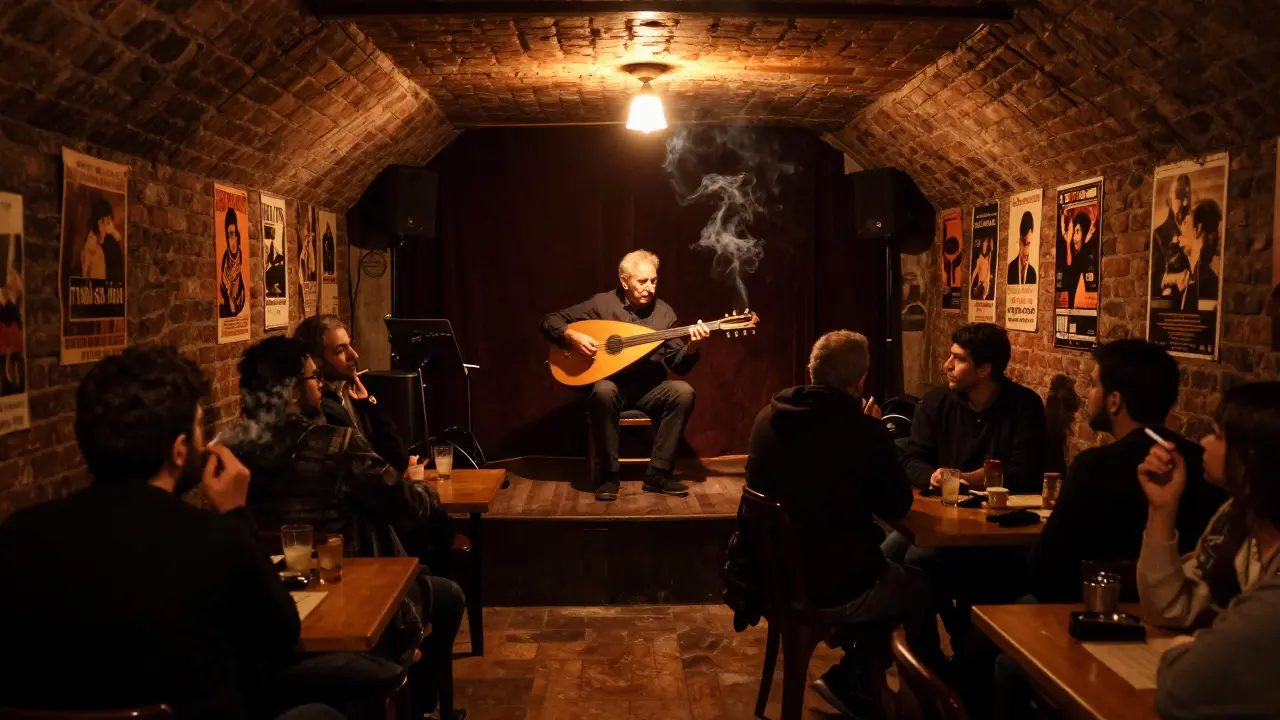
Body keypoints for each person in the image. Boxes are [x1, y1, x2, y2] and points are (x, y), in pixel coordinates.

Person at [0, 346, 341, 720]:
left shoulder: (16, 537)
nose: (204, 441)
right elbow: (281, 635)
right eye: (198, 427)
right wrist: (236, 513)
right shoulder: (213, 541)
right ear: (179, 451)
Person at [231, 336, 466, 720]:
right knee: (448, 595)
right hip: (350, 593)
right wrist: (426, 490)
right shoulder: (336, 445)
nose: (320, 385)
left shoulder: (232, 455)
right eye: (314, 377)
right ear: (293, 392)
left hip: (268, 602)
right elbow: (409, 506)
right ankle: (415, 705)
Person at [733, 331, 927, 716]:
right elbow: (897, 503)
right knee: (920, 586)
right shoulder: (863, 431)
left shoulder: (768, 417)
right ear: (861, 380)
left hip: (771, 577)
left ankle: (857, 680)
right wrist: (878, 436)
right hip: (831, 586)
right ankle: (920, 697)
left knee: (890, 556)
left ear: (811, 370)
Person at [1027, 339, 1227, 603]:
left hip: (1090, 609)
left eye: (1093, 384)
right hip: (1179, 606)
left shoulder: (1093, 467)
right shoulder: (1202, 464)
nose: (1087, 393)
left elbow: (1044, 571)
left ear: (1114, 401)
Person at [1136, 383, 1280, 717]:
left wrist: (1191, 649)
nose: (1203, 442)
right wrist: (1162, 508)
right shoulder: (1234, 518)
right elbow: (1168, 608)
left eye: (1217, 436)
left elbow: (1182, 690)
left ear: (1250, 459)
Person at [539, 249, 709, 501]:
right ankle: (609, 476)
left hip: (650, 389)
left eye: (654, 280)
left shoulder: (664, 313)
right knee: (603, 391)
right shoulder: (602, 304)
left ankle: (658, 473)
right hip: (613, 387)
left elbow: (678, 364)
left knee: (683, 392)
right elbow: (549, 320)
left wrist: (692, 347)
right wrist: (571, 336)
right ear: (624, 281)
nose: (650, 287)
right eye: (642, 281)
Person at [900, 322, 1047, 494]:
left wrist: (960, 479)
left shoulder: (1024, 405)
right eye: (950, 355)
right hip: (943, 504)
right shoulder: (935, 402)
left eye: (960, 359)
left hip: (1001, 507)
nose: (947, 365)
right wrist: (933, 477)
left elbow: (1026, 472)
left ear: (984, 369)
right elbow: (911, 458)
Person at [295, 315, 410, 474]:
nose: (354, 355)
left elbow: (397, 458)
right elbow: (369, 468)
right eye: (340, 350)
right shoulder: (321, 405)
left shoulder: (349, 391)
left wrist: (368, 404)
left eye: (349, 345)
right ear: (315, 360)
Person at [1158, 199, 1222, 312]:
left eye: (1185, 222)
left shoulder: (1207, 284)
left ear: (1198, 229)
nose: (1181, 225)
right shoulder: (1194, 278)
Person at [1151, 174, 1192, 298]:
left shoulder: (1196, 232)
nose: (1185, 203)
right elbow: (1153, 281)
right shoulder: (1159, 236)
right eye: (1178, 197)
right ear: (1169, 202)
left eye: (1187, 196)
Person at [220, 207, 247, 318]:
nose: (233, 240)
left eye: (234, 234)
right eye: (230, 235)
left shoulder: (240, 258)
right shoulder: (225, 260)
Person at [1006, 210, 1037, 285]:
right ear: (1020, 241)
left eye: (1029, 244)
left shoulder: (1032, 273)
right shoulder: (1010, 269)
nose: (1026, 251)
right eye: (1024, 243)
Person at [970, 236, 993, 300]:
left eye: (986, 242)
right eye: (984, 242)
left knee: (983, 296)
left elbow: (989, 268)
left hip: (985, 280)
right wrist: (971, 281)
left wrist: (986, 280)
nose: (985, 244)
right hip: (981, 280)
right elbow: (976, 269)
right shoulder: (980, 256)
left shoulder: (989, 255)